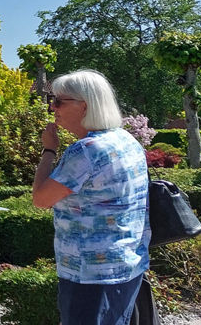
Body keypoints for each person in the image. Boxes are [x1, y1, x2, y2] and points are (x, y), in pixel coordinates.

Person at [33, 69, 150, 325]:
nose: (52, 107)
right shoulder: (126, 140)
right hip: (127, 265)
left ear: (84, 106)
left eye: (58, 101)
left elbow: (41, 199)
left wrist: (49, 150)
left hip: (89, 274)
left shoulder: (86, 150)